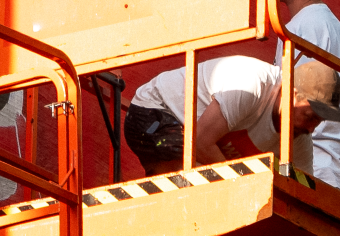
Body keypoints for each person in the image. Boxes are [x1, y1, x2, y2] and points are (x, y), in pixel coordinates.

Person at [124, 55, 336, 177]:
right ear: (292, 93)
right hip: (154, 111)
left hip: (194, 135)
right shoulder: (251, 84)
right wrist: (243, 184)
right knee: (194, 174)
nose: (311, 129)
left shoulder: (298, 140)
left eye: (319, 121)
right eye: (310, 116)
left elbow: (304, 187)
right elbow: (199, 142)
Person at [272, 0, 340, 183]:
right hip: (330, 165)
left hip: (314, 167)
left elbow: (296, 108)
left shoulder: (301, 28)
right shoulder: (331, 25)